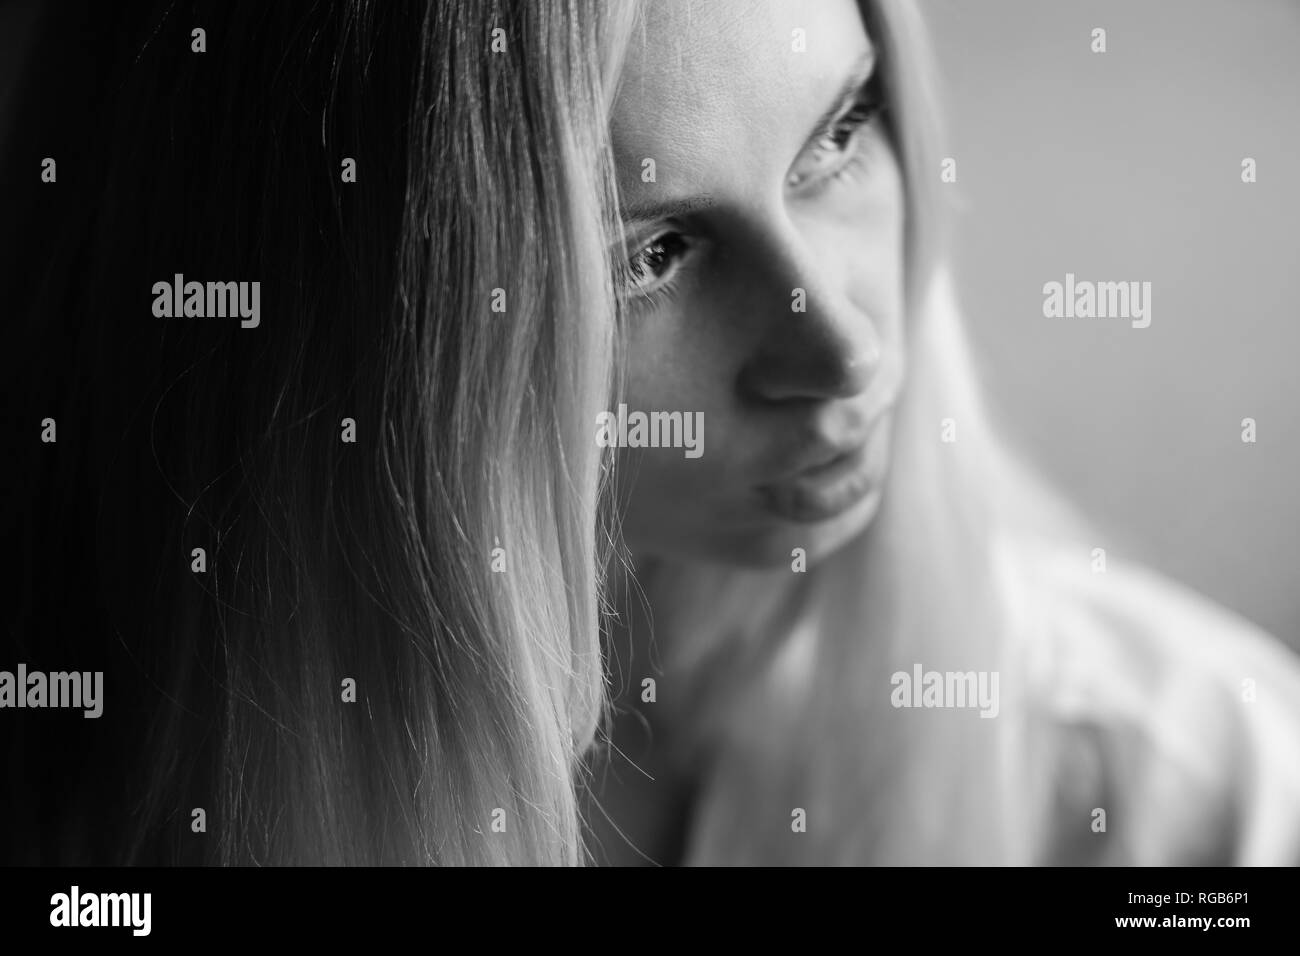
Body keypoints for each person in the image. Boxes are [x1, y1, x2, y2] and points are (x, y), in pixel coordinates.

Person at [3, 0, 1298, 867]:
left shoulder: (1195, 800)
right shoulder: (97, 808)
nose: (841, 347)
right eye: (654, 254)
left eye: (837, 137)